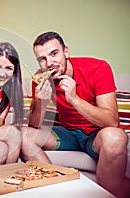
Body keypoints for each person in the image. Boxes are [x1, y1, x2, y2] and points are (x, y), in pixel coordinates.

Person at [21, 31, 129, 197]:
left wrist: (74, 99)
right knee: (23, 135)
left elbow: (111, 121)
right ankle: (58, 185)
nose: (49, 63)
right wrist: (40, 102)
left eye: (54, 54)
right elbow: (33, 126)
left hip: (96, 135)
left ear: (66, 52)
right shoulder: (40, 78)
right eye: (42, 59)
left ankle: (108, 192)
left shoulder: (97, 68)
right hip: (69, 135)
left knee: (115, 137)